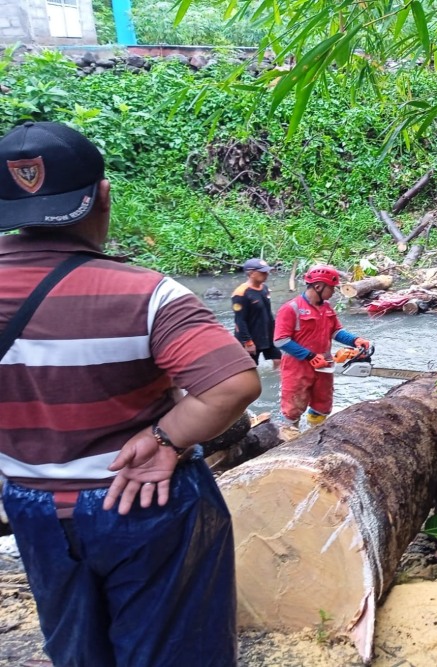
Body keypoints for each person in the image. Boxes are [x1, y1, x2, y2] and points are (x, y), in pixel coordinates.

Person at [0, 121, 261, 667]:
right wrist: (166, 440)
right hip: (142, 500)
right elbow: (233, 383)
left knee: (77, 648)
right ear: (102, 195)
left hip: (34, 506)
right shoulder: (146, 292)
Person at [273, 264, 373, 429]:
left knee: (322, 405)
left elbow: (335, 331)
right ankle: (290, 439)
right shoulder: (291, 309)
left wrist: (354, 340)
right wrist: (310, 356)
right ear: (318, 286)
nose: (333, 292)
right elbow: (281, 340)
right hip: (298, 367)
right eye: (331, 288)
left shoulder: (327, 308)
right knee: (292, 409)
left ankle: (316, 434)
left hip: (324, 365)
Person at [232, 257, 281, 368]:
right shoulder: (240, 293)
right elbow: (240, 320)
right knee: (251, 367)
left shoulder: (264, 288)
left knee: (279, 360)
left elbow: (268, 313)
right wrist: (248, 342)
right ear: (252, 273)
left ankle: (277, 383)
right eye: (263, 272)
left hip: (267, 335)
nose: (267, 274)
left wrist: (275, 332)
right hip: (250, 338)